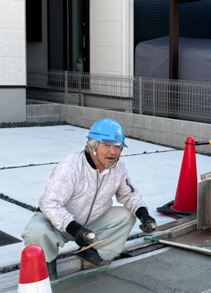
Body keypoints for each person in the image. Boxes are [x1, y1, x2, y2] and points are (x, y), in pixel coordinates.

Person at [22, 118, 157, 280]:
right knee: (36, 232)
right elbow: (50, 204)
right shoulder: (70, 167)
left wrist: (143, 214)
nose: (113, 152)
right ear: (92, 145)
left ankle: (89, 250)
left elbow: (128, 194)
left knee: (127, 215)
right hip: (56, 223)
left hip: (90, 223)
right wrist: (75, 229)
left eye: (118, 146)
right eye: (107, 145)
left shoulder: (118, 167)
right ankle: (46, 265)